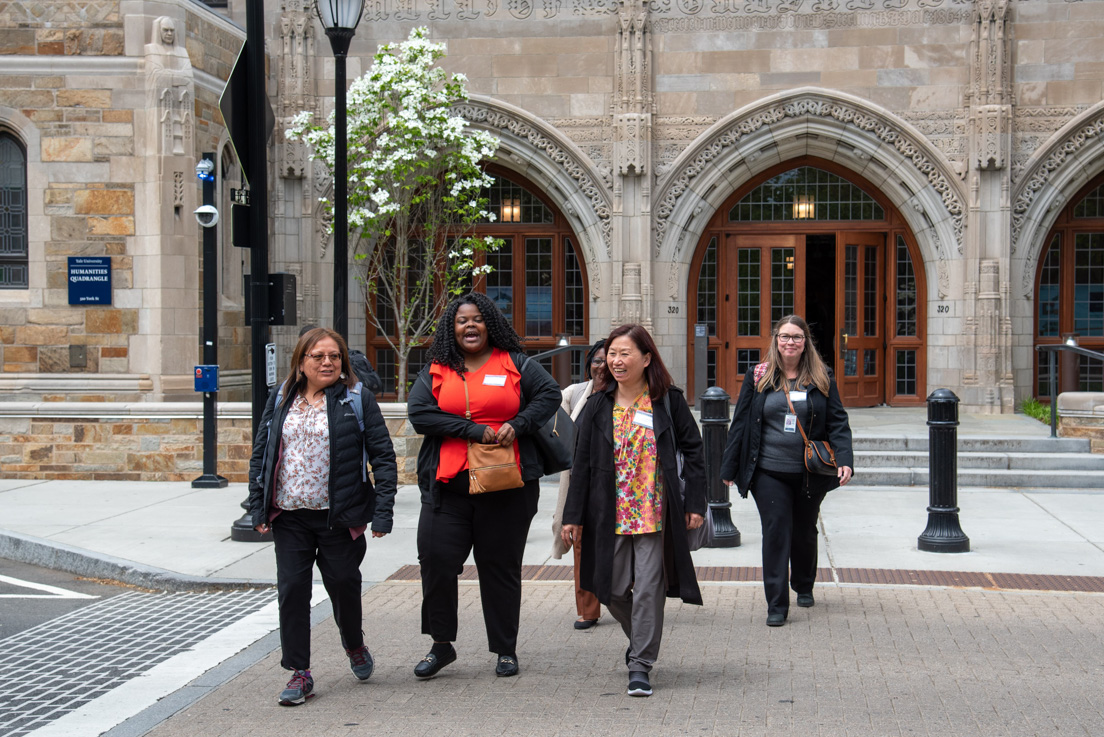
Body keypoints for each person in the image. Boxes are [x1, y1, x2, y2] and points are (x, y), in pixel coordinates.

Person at [407, 292, 560, 679]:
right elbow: (420, 413)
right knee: (437, 562)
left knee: (499, 568)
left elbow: (549, 394)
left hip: (506, 488)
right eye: (462, 321)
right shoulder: (438, 369)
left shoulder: (515, 364)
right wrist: (472, 430)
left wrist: (519, 424)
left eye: (477, 319)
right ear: (451, 329)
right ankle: (441, 645)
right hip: (448, 487)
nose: (470, 326)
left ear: (490, 324)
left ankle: (505, 650)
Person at [247, 327, 397, 705]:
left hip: (339, 517)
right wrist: (257, 505)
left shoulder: (356, 399)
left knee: (345, 587)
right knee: (292, 592)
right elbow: (262, 452)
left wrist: (382, 513)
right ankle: (300, 672)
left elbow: (383, 456)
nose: (328, 362)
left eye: (334, 356)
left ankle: (354, 643)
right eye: (318, 356)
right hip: (290, 516)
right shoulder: (282, 397)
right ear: (301, 362)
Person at [561, 324, 707, 698]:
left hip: (655, 514)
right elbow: (581, 464)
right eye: (612, 353)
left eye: (625, 353)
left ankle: (640, 664)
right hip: (609, 515)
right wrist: (572, 516)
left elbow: (695, 451)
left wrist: (695, 504)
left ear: (646, 358)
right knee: (608, 589)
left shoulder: (667, 401)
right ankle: (640, 638)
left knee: (647, 590)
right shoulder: (597, 405)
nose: (616, 360)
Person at [719, 315, 854, 627]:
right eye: (784, 336)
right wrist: (729, 467)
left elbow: (837, 421)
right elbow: (740, 423)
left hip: (810, 472)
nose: (790, 342)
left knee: (804, 530)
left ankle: (804, 583)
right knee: (776, 532)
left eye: (796, 337)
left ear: (805, 342)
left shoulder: (822, 376)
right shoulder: (759, 375)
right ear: (775, 340)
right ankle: (776, 605)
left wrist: (845, 458)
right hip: (768, 471)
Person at [551, 339, 606, 630]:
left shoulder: (627, 395)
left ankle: (629, 598)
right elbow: (556, 430)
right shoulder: (574, 394)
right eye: (597, 361)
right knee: (582, 544)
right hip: (582, 481)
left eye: (608, 360)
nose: (602, 366)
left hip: (619, 485)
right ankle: (588, 610)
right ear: (589, 365)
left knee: (622, 546)